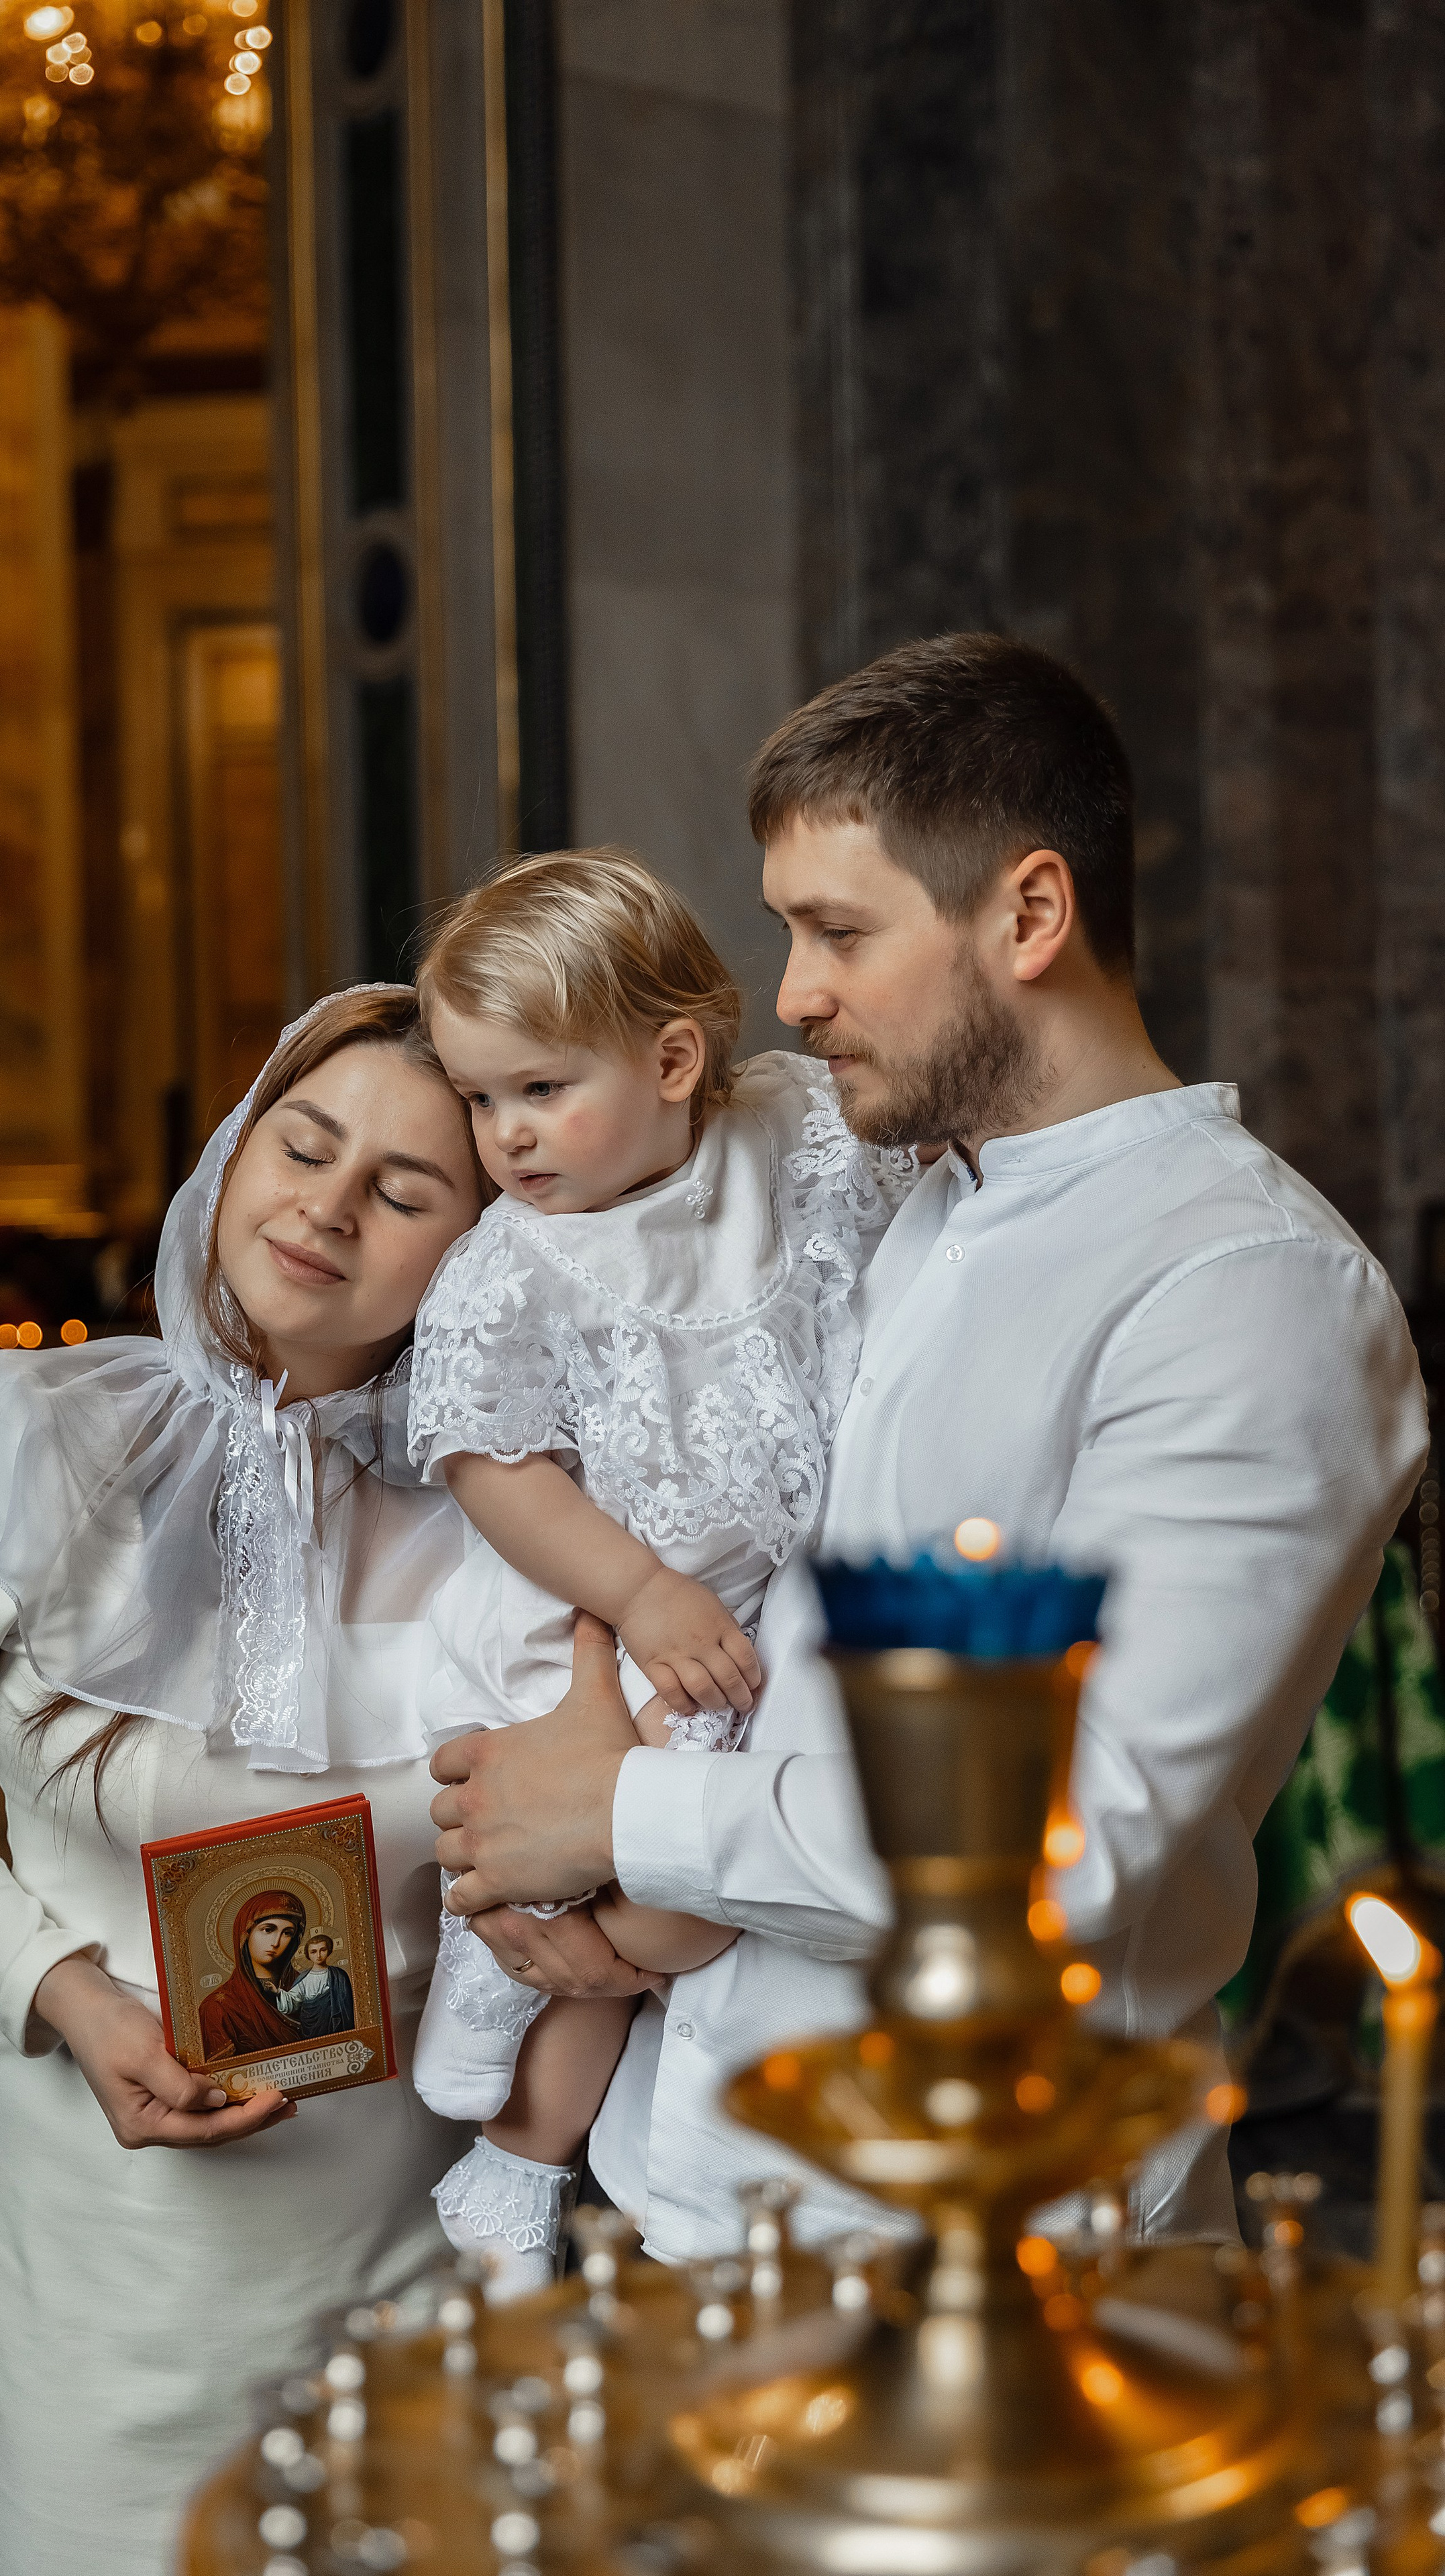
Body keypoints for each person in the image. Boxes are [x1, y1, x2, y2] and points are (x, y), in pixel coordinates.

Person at [427, 633, 1431, 2258]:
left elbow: (1081, 1832)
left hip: (993, 2239)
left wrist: (623, 1819)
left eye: (836, 932)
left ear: (1027, 915)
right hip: (700, 2175)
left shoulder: (1245, 1290)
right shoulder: (891, 1209)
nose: (795, 992)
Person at [0, 985, 490, 2576]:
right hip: (103, 2251)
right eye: (300, 1145)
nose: (325, 1205)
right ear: (233, 1152)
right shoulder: (37, 1431)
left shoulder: (507, 1515)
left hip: (414, 2229)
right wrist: (71, 1992)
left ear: (477, 1248)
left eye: (402, 1189)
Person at [403, 849, 911, 2296]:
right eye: (478, 1098)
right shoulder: (516, 1264)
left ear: (675, 1057)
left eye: (537, 1089)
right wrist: (636, 1594)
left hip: (754, 1607)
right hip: (596, 1606)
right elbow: (488, 1466)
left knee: (684, 1877)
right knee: (625, 1880)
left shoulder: (790, 1138)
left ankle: (541, 2063)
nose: (504, 1137)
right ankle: (520, 2148)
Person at [199, 1890, 307, 2062]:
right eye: (268, 1930)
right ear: (245, 1934)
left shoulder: (310, 1989)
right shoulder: (219, 2007)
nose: (276, 1942)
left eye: (287, 1933)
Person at [278, 1927, 358, 2038]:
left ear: (329, 1950)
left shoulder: (339, 1975)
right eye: (314, 1952)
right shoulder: (304, 1978)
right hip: (310, 2026)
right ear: (308, 1955)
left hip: (333, 2026)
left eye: (323, 1950)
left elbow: (347, 2006)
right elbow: (293, 2000)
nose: (318, 1955)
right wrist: (277, 1993)